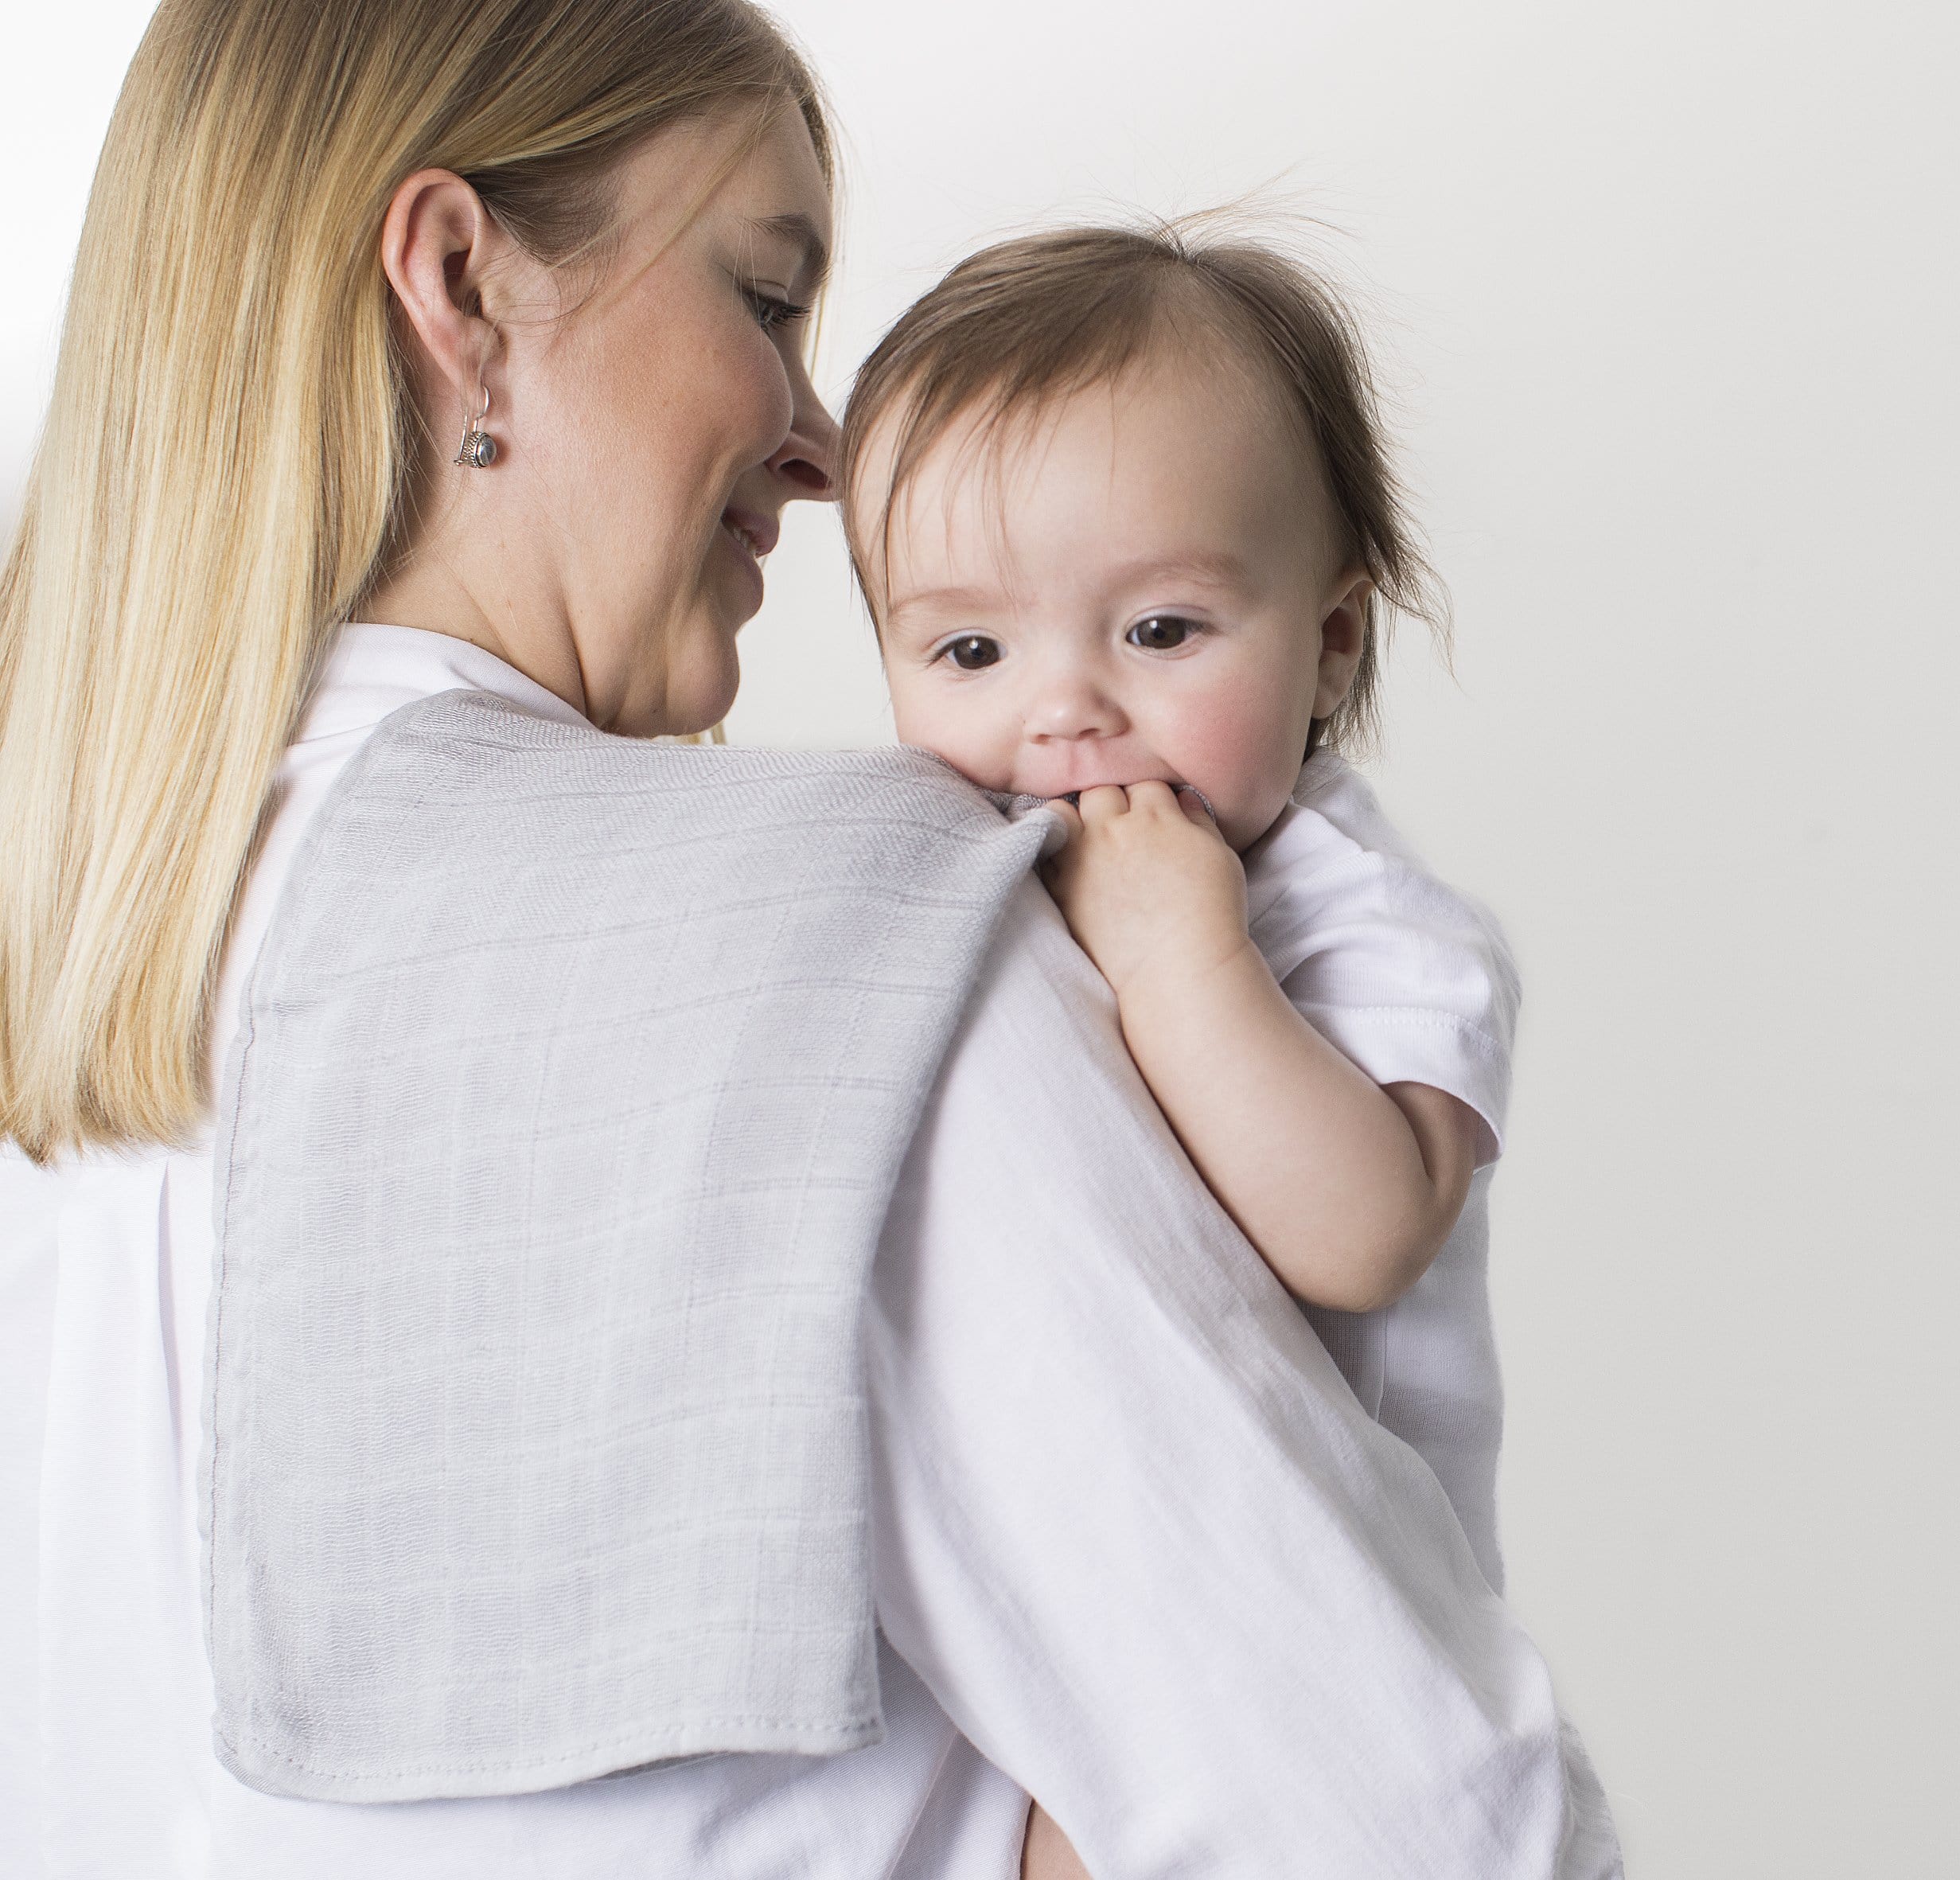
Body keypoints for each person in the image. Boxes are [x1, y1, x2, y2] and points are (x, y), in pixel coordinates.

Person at [0, 2, 1618, 1876]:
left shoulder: (75, 978)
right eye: (768, 303)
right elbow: (1411, 1826)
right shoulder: (844, 951)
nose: (826, 450)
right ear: (458, 282)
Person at [848, 224, 1532, 1880]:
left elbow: (1363, 1228)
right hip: (1052, 1592)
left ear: (1334, 645)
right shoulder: (971, 877)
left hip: (1305, 1608)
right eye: (968, 651)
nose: (1063, 708)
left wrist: (1186, 953)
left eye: (1159, 631)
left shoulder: (1359, 917)